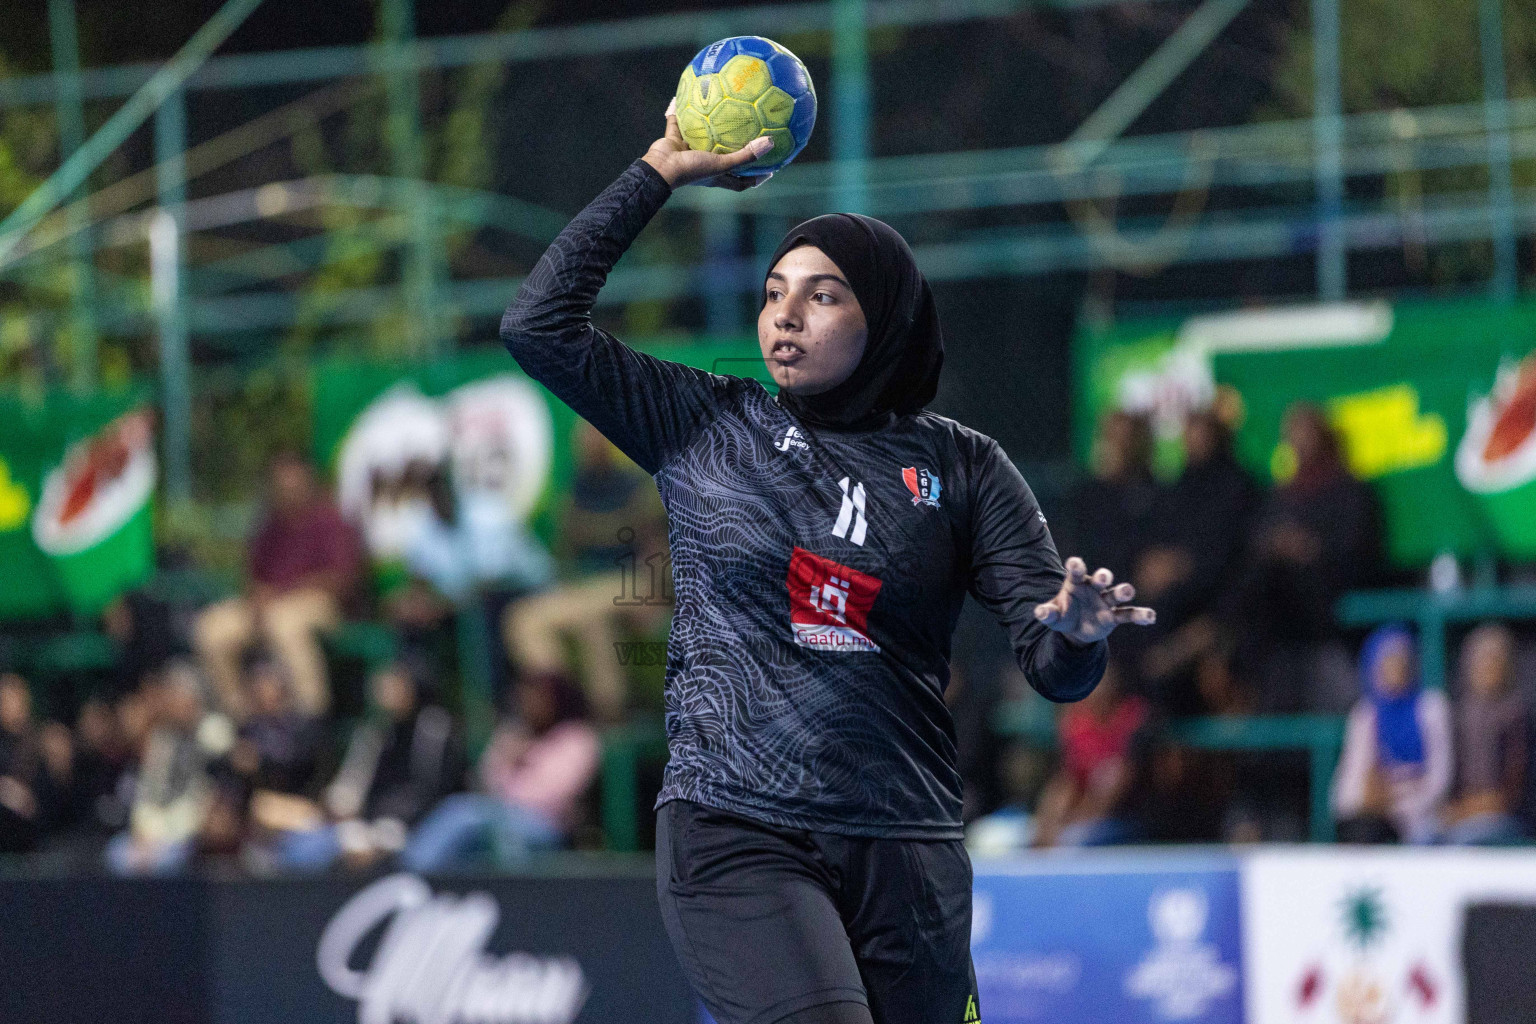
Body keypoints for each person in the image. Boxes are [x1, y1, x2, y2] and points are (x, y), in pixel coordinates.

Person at [498, 106, 1156, 1024]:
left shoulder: (964, 466)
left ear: (882, 314)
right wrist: (655, 173)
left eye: (823, 294)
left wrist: (1078, 634)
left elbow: (1053, 669)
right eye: (773, 293)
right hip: (737, 826)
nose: (785, 316)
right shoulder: (704, 424)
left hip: (908, 845)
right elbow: (537, 326)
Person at [502, 420, 670, 721]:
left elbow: (657, 550)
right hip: (585, 593)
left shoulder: (634, 489)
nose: (591, 446)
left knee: (590, 617)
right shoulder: (573, 495)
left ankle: (606, 717)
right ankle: (568, 704)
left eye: (597, 438)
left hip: (629, 585)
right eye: (585, 440)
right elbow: (564, 557)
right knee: (524, 621)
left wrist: (653, 596)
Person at [194, 451, 363, 720]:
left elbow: (339, 580)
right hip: (268, 606)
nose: (286, 489)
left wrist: (281, 593)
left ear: (307, 481)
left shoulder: (330, 519)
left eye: (292, 481)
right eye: (280, 482)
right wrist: (258, 596)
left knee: (284, 623)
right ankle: (241, 719)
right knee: (212, 628)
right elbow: (253, 576)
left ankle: (310, 717)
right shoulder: (270, 525)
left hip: (318, 605)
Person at [273, 661, 463, 872]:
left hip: (420, 826)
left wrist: (388, 828)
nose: (384, 690)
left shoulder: (434, 729)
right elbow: (350, 788)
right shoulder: (374, 732)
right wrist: (341, 811)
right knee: (301, 849)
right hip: (368, 826)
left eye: (394, 683)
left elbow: (433, 791)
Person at [401, 671, 600, 871]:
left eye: (536, 698)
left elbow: (552, 794)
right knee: (461, 815)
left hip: (546, 825)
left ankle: (411, 871)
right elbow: (484, 779)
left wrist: (524, 762)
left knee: (464, 816)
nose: (529, 704)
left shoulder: (576, 738)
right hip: (497, 816)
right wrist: (507, 758)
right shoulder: (515, 733)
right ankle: (413, 870)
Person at [1332, 625, 1452, 845]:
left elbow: (1439, 779)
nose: (1395, 671)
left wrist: (1398, 805)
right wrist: (1367, 800)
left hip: (1422, 816)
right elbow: (1349, 788)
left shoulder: (1431, 709)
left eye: (1401, 662)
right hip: (1377, 816)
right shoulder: (1366, 714)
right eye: (1387, 663)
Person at [1030, 660, 1149, 847]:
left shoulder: (1131, 716)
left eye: (1103, 683)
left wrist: (1075, 823)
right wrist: (1048, 822)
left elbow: (1121, 780)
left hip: (1123, 814)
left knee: (1109, 774)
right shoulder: (1075, 719)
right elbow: (1067, 780)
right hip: (1080, 805)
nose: (1098, 690)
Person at [1443, 623, 1528, 845]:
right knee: (1424, 836)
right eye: (1481, 661)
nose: (1487, 668)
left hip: (1506, 816)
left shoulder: (1517, 716)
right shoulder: (1460, 715)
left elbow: (1513, 793)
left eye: (1494, 660)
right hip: (1463, 812)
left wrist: (1471, 809)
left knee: (1463, 841)